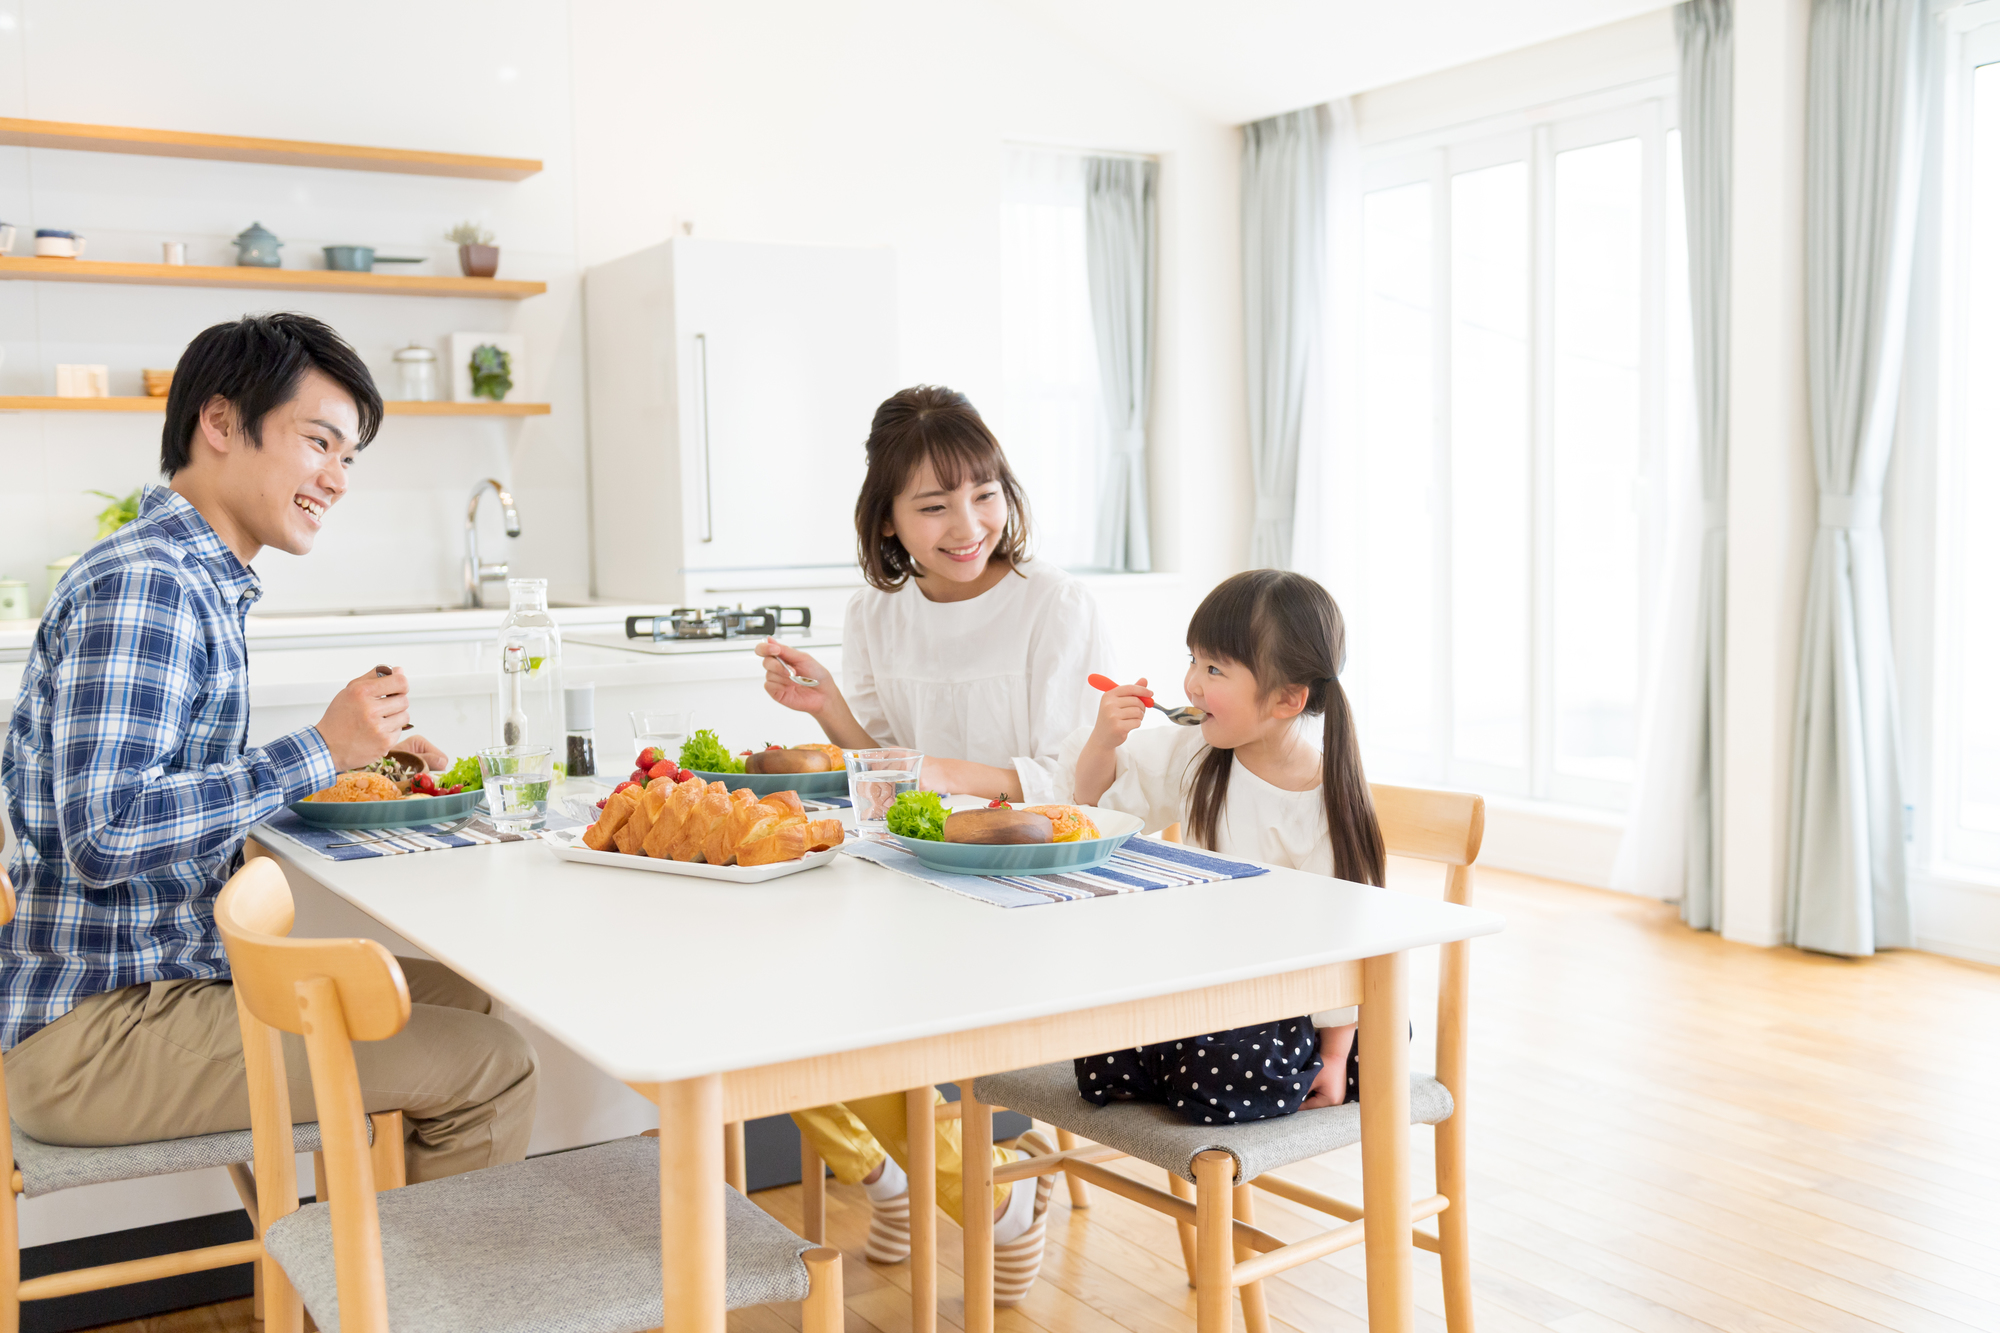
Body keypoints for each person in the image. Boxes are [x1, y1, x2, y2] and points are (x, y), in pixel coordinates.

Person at [0, 314, 536, 1183]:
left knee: (463, 996)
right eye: (319, 441)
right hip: (97, 1027)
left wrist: (351, 765)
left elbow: (173, 794)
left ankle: (360, 1271)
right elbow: (105, 834)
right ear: (219, 423)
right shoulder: (151, 584)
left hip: (157, 981)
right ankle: (392, 1298)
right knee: (489, 1062)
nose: (337, 477)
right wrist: (319, 747)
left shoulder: (194, 577)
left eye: (349, 457)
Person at [753, 385, 1114, 1301]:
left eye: (984, 492)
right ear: (889, 521)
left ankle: (974, 1189)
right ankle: (898, 1176)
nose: (969, 523)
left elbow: (1071, 781)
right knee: (759, 1001)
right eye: (934, 504)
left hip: (1030, 891)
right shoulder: (876, 611)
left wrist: (932, 771)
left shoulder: (1052, 604)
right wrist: (825, 706)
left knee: (847, 1015)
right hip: (910, 877)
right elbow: (872, 764)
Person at [1060, 569, 1387, 1121]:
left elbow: (1347, 945)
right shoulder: (1197, 752)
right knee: (1102, 1039)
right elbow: (1098, 809)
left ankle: (1257, 1069)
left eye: (1214, 669)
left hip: (1306, 1009)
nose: (1191, 683)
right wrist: (1104, 741)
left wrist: (1335, 1056)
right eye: (1193, 659)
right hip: (1211, 985)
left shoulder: (1323, 803)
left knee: (1221, 1063)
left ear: (1287, 699)